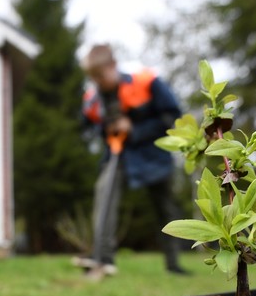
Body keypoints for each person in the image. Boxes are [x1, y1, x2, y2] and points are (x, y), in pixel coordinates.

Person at [75, 44, 188, 279]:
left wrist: (134, 128)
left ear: (113, 66)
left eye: (100, 75)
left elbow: (172, 117)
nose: (97, 81)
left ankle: (173, 263)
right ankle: (103, 258)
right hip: (118, 155)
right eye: (92, 77)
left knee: (164, 208)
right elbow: (85, 125)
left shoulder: (146, 82)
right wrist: (101, 127)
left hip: (154, 155)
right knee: (104, 193)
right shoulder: (93, 98)